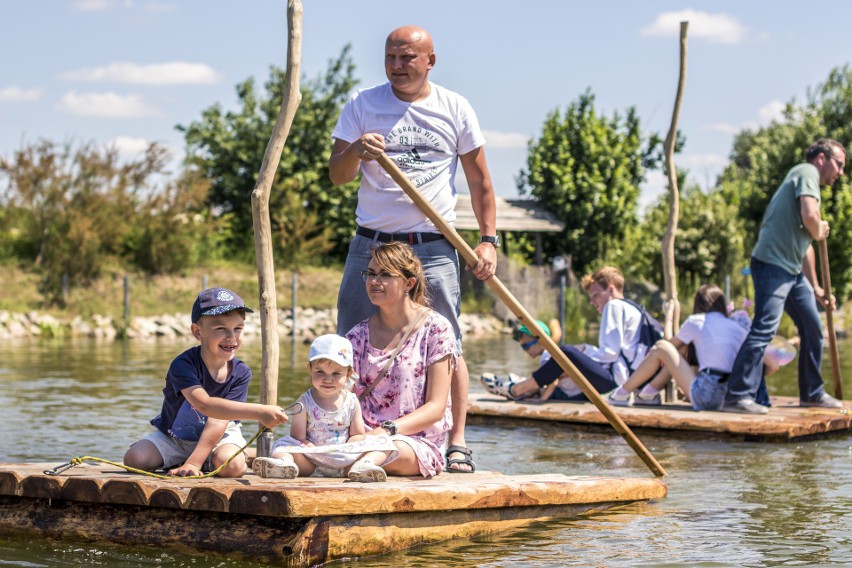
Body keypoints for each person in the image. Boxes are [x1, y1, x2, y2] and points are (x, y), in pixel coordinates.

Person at [328, 25, 498, 473]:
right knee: (348, 341)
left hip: (433, 245)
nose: (398, 66)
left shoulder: (454, 108)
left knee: (449, 342)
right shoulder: (362, 105)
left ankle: (456, 441)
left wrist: (487, 240)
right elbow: (337, 175)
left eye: (407, 57)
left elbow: (480, 181)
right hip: (373, 243)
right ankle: (349, 432)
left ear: (430, 61)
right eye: (391, 57)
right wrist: (357, 153)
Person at [722, 139, 846, 414]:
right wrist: (819, 228)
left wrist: (816, 287)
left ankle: (812, 394)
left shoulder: (809, 183)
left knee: (813, 327)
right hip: (771, 266)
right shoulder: (806, 172)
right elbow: (810, 216)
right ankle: (737, 396)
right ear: (822, 159)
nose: (840, 173)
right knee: (765, 328)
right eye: (839, 165)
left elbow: (806, 248)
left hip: (792, 270)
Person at [123, 288, 290, 477]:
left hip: (221, 435)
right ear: (197, 332)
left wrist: (194, 463)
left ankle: (229, 457)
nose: (231, 337)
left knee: (233, 468)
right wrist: (260, 411)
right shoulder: (183, 365)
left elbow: (218, 420)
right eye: (221, 329)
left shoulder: (241, 373)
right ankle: (188, 460)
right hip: (175, 438)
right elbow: (205, 405)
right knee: (135, 460)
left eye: (238, 328)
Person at [344, 242, 456, 481]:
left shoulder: (436, 330)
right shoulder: (356, 336)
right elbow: (345, 401)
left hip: (413, 443)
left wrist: (386, 431)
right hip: (361, 440)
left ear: (409, 283)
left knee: (389, 450)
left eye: (385, 274)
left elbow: (436, 407)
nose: (375, 281)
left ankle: (357, 462)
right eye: (371, 274)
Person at [481, 267, 644, 401]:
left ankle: (517, 389)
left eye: (595, 295)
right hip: (624, 378)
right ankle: (526, 387)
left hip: (616, 379)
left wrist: (584, 352)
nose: (592, 302)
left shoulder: (614, 306)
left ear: (610, 289)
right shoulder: (633, 307)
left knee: (566, 353)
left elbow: (609, 354)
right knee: (568, 360)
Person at [251, 334, 397, 480]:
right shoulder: (304, 401)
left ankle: (365, 465)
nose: (328, 379)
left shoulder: (351, 401)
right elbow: (298, 437)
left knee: (384, 443)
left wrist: (346, 449)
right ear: (310, 369)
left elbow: (357, 435)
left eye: (336, 373)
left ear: (348, 374)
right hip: (312, 460)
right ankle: (285, 463)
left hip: (344, 461)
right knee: (282, 445)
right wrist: (312, 449)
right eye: (320, 372)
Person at [608, 285, 749, 410]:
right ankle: (648, 394)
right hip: (730, 397)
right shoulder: (736, 326)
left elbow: (668, 346)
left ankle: (622, 394)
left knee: (661, 348)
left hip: (707, 396)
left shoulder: (698, 321)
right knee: (683, 351)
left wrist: (669, 316)